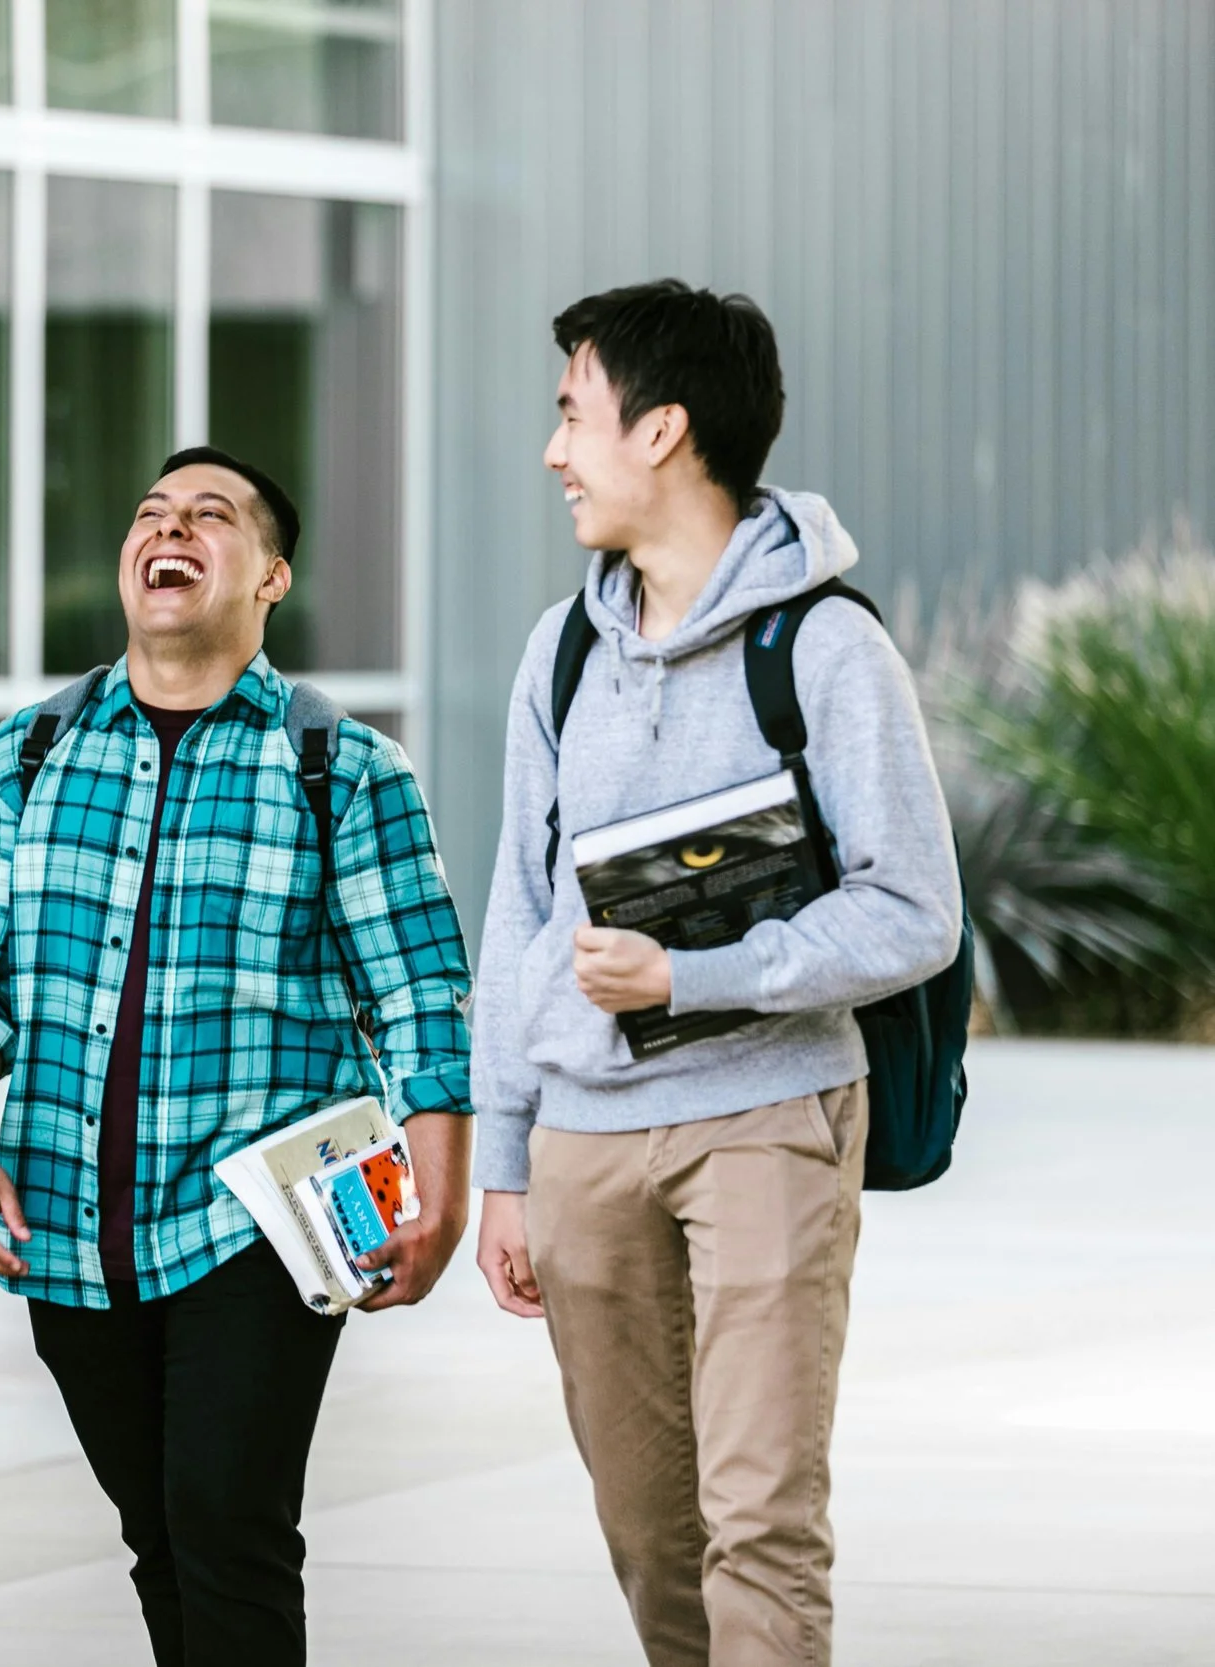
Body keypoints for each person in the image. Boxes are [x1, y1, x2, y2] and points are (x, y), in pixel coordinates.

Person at [0, 447, 474, 1666]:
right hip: (68, 1220)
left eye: (208, 516)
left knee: (229, 1519)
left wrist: (439, 1197)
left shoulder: (344, 767)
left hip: (265, 1219)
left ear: (269, 574)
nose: (169, 529)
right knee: (159, 1531)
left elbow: (424, 996)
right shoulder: (25, 753)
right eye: (150, 512)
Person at [469, 281, 961, 1666]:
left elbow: (916, 910)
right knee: (649, 1525)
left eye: (575, 414)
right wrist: (507, 1155)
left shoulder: (825, 644)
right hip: (580, 1141)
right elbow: (519, 907)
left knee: (760, 1515)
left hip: (770, 1119)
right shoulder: (559, 650)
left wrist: (695, 977)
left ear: (663, 428)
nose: (557, 449)